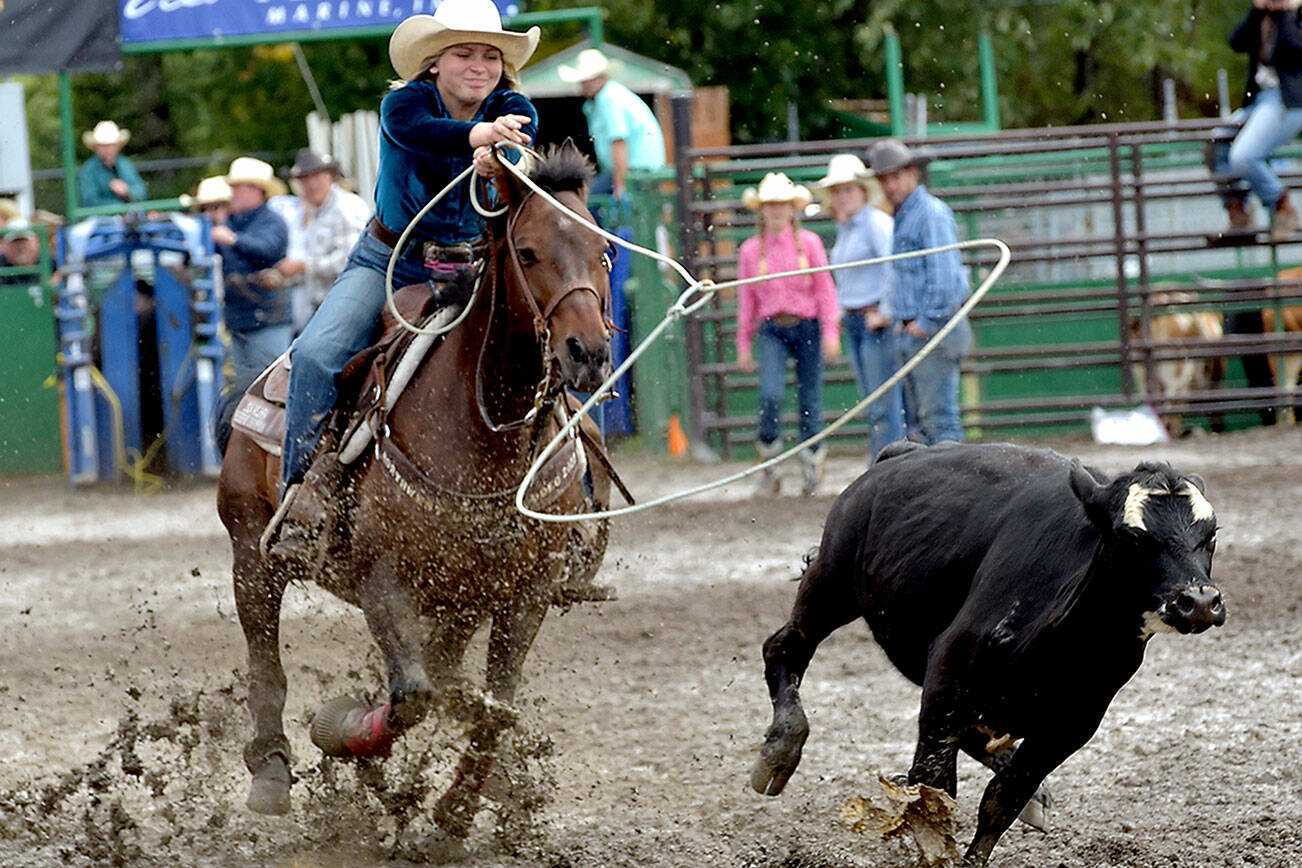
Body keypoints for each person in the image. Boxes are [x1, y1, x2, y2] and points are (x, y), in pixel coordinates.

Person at [265, 0, 540, 558]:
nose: (479, 65)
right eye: (464, 53)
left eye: (490, 55)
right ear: (435, 62)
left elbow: (525, 143)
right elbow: (422, 132)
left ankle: (572, 497)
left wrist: (503, 154)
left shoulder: (513, 106)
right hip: (390, 261)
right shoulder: (404, 104)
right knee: (318, 354)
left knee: (558, 346)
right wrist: (480, 138)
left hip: (480, 266)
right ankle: (304, 493)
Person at [734, 172, 840, 496]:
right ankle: (770, 460)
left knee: (810, 399)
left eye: (781, 205)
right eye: (770, 205)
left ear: (792, 209)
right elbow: (746, 300)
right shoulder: (751, 251)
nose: (776, 211)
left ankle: (811, 467)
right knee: (771, 394)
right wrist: (744, 342)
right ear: (761, 210)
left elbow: (825, 290)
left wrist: (830, 331)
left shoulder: (810, 244)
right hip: (772, 328)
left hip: (807, 325)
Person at [866, 138, 972, 446]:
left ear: (912, 173)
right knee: (925, 422)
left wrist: (923, 323)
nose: (890, 185)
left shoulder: (929, 213)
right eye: (884, 179)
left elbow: (944, 277)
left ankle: (955, 489)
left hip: (933, 329)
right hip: (920, 329)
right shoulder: (908, 214)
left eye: (895, 176)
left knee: (939, 420)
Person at [813, 153, 905, 461]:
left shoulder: (876, 223)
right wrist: (840, 310)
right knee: (874, 400)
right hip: (856, 320)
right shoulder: (849, 228)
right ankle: (885, 463)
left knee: (883, 402)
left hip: (874, 321)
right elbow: (848, 277)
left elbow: (894, 267)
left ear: (863, 192)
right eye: (837, 191)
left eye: (848, 190)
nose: (842, 197)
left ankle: (888, 465)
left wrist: (886, 311)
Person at [210, 157, 291, 393]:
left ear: (256, 190)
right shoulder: (232, 222)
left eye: (238, 188)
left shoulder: (272, 222)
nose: (232, 193)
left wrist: (232, 240)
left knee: (270, 390)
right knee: (244, 392)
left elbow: (267, 251)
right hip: (239, 320)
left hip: (267, 320)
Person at [1225, 0, 1302, 241]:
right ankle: (1239, 214)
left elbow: (1294, 49)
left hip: (1288, 101)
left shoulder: (1295, 15)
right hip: (1260, 102)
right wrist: (1257, 9)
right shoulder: (1261, 16)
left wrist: (1287, 12)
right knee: (1217, 143)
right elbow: (1236, 42)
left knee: (1243, 156)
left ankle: (1282, 205)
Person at [273, 149, 371, 331]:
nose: (311, 184)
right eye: (304, 178)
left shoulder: (347, 207)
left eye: (316, 176)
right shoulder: (315, 212)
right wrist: (285, 276)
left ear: (330, 177)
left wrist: (302, 266)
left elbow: (352, 260)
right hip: (325, 309)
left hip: (348, 309)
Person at [557, 48, 666, 202]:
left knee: (588, 203)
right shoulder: (608, 97)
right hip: (640, 174)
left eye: (590, 79)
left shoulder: (608, 99)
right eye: (583, 80)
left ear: (602, 78)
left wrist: (620, 186)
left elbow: (618, 142)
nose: (585, 84)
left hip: (636, 174)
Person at [77, 121, 148, 209]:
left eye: (111, 145)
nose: (108, 149)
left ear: (118, 146)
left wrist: (127, 191)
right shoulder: (89, 169)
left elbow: (141, 191)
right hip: (102, 220)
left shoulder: (125, 163)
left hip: (132, 218)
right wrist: (121, 208)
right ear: (96, 147)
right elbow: (89, 201)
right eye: (103, 146)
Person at [0, 219, 42, 287]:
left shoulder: (52, 264)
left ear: (36, 242)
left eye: (24, 240)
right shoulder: (1, 266)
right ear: (5, 245)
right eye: (15, 241)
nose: (20, 246)